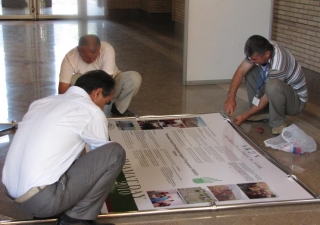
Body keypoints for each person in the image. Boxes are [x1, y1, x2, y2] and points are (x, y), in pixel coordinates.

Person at [2, 70, 126, 225]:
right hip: (42, 200)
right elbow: (100, 159)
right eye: (106, 102)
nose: (103, 108)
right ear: (97, 93)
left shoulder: (42, 102)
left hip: (13, 193)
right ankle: (76, 220)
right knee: (115, 153)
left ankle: (50, 210)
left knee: (69, 157)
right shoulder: (91, 110)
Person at [224, 35, 307, 135]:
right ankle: (262, 112)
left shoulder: (279, 63)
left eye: (255, 59)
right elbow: (241, 70)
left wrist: (245, 116)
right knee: (249, 71)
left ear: (267, 54)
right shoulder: (266, 47)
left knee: (273, 85)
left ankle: (279, 122)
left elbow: (267, 96)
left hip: (295, 102)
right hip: (279, 91)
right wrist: (231, 97)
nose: (252, 61)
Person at [58, 34, 142, 117]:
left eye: (95, 56)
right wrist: (67, 109)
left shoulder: (107, 49)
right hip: (86, 88)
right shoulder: (70, 58)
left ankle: (118, 109)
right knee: (73, 80)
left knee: (134, 78)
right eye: (87, 57)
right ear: (79, 50)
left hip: (110, 84)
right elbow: (63, 88)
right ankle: (83, 108)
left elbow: (106, 83)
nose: (91, 60)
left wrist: (98, 112)